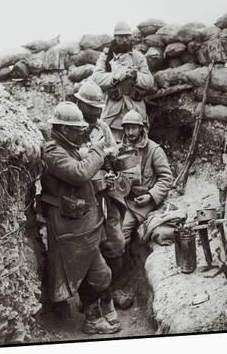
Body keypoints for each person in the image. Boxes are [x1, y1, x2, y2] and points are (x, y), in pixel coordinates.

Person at [40, 101, 121, 334]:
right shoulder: (53, 151)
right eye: (77, 130)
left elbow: (83, 169)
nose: (81, 133)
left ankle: (96, 313)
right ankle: (92, 319)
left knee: (96, 272)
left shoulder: (68, 147)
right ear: (64, 129)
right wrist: (97, 150)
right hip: (70, 228)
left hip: (83, 224)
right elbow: (79, 173)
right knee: (91, 272)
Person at [74, 81, 134, 311]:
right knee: (88, 248)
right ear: (79, 104)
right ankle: (90, 300)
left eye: (99, 108)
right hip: (82, 200)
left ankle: (111, 289)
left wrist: (114, 163)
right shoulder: (70, 129)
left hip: (105, 197)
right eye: (92, 108)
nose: (97, 112)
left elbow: (113, 157)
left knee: (116, 244)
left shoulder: (102, 128)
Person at [91, 21, 154, 141]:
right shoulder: (105, 57)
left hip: (135, 110)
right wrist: (115, 76)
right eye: (121, 37)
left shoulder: (138, 57)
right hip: (113, 113)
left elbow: (149, 81)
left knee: (138, 147)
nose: (125, 40)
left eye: (127, 36)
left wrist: (136, 76)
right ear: (115, 37)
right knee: (110, 147)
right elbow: (96, 78)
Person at [117, 110, 173, 245]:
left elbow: (166, 178)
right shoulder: (119, 149)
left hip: (143, 201)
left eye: (134, 128)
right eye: (127, 128)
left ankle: (121, 259)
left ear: (141, 128)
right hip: (122, 198)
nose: (130, 132)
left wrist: (150, 196)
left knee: (123, 231)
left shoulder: (154, 150)